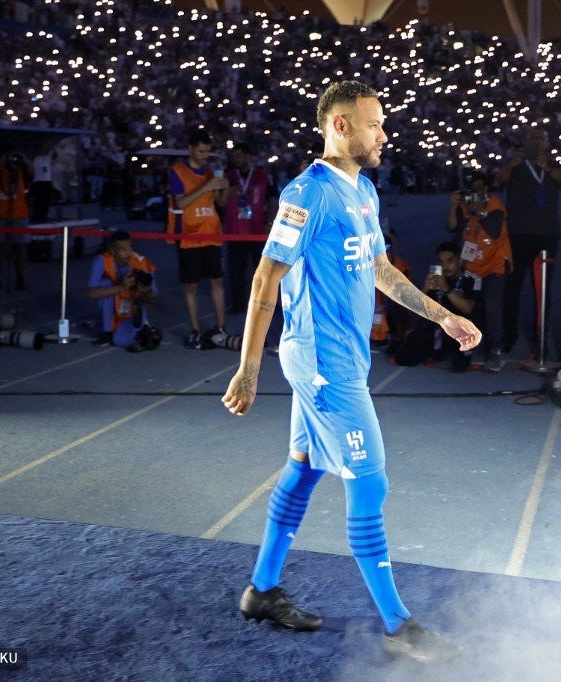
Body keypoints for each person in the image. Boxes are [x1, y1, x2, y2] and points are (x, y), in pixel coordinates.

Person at [221, 80, 480, 663]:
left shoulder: (362, 190)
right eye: (374, 125)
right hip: (321, 363)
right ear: (340, 127)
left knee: (305, 468)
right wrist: (247, 369)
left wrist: (443, 317)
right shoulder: (306, 195)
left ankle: (260, 591)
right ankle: (398, 624)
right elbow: (266, 279)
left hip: (343, 359)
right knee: (371, 480)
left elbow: (382, 270)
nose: (384, 135)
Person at [495, 125, 561, 355]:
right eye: (532, 138)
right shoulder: (516, 163)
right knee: (512, 287)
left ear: (547, 143)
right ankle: (508, 336)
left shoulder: (554, 164)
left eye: (540, 138)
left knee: (543, 290)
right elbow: (499, 179)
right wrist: (512, 164)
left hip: (547, 234)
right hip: (518, 233)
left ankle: (541, 337)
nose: (536, 142)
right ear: (525, 142)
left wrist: (547, 167)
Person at [166, 128, 229, 349]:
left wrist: (224, 189)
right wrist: (206, 186)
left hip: (211, 232)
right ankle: (195, 330)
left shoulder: (210, 172)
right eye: (201, 151)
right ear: (190, 149)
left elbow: (219, 203)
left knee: (217, 281)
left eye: (207, 152)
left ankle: (221, 327)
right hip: (190, 236)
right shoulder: (178, 171)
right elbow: (180, 203)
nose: (204, 156)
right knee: (191, 286)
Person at [446, 171, 511, 371]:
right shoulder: (464, 206)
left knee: (492, 306)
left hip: (495, 264)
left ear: (485, 188)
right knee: (474, 307)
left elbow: (494, 230)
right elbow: (451, 228)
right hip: (472, 266)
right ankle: (477, 347)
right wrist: (454, 205)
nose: (472, 196)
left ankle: (496, 350)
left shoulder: (495, 204)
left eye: (476, 190)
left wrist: (480, 212)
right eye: (469, 192)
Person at [394, 241, 482, 373]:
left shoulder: (472, 279)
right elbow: (416, 309)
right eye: (442, 262)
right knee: (402, 358)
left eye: (450, 261)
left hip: (461, 330)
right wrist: (426, 287)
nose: (445, 266)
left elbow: (468, 308)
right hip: (437, 329)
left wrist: (445, 288)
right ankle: (435, 351)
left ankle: (459, 353)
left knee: (459, 367)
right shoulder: (437, 277)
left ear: (460, 260)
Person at [219, 141, 277, 314]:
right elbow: (220, 202)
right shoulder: (228, 176)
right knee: (236, 270)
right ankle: (238, 304)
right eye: (234, 156)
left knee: (260, 270)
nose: (235, 159)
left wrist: (269, 223)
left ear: (248, 156)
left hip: (257, 230)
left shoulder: (262, 176)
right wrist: (228, 191)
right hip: (235, 231)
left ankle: (262, 303)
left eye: (239, 155)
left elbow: (273, 200)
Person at [87, 230, 161, 352]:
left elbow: (153, 299)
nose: (128, 252)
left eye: (130, 247)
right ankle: (107, 332)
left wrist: (144, 290)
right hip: (115, 304)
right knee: (106, 283)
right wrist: (121, 286)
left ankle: (142, 327)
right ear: (113, 250)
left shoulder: (142, 263)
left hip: (133, 308)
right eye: (122, 249)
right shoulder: (101, 260)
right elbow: (91, 294)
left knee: (120, 342)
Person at [0, 148, 34, 291]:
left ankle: (20, 277)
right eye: (8, 157)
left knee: (20, 248)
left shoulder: (21, 168)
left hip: (19, 214)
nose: (11, 160)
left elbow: (31, 173)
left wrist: (24, 160)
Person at [30, 140, 58, 223]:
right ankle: (36, 218)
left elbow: (54, 154)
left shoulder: (47, 158)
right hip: (38, 182)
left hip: (47, 182)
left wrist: (51, 145)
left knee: (46, 201)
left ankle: (44, 217)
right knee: (39, 201)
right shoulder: (34, 159)